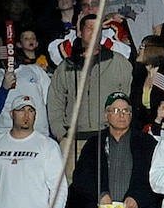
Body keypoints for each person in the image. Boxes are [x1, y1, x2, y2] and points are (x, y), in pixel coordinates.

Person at [69, 93, 161, 208]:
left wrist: (137, 198)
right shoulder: (94, 144)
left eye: (126, 111)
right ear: (107, 115)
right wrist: (100, 195)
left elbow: (158, 178)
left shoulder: (147, 143)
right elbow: (80, 179)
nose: (122, 115)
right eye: (116, 111)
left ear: (131, 115)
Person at [48, 13, 134, 160]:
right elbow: (55, 100)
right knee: (72, 183)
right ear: (80, 33)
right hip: (74, 142)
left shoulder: (119, 62)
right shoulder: (66, 66)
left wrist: (118, 132)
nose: (93, 32)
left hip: (108, 139)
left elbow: (127, 99)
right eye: (89, 27)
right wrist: (61, 134)